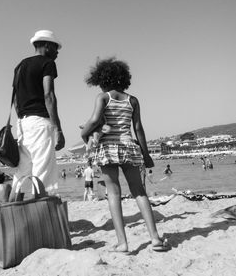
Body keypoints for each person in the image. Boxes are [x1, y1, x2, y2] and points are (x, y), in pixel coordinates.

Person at [81, 57, 170, 252]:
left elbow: (95, 119)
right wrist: (146, 155)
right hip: (129, 146)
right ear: (123, 78)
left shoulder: (103, 97)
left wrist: (83, 132)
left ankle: (123, 243)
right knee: (139, 191)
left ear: (101, 78)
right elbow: (138, 128)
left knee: (113, 193)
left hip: (107, 149)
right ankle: (155, 238)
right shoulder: (133, 100)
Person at [12, 30, 65, 194]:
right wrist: (58, 129)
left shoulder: (20, 65)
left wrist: (22, 119)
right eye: (56, 48)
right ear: (47, 45)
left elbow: (15, 99)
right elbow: (48, 95)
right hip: (40, 122)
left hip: (22, 122)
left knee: (21, 174)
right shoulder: (47, 63)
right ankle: (42, 217)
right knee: (42, 174)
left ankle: (11, 212)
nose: (57, 53)